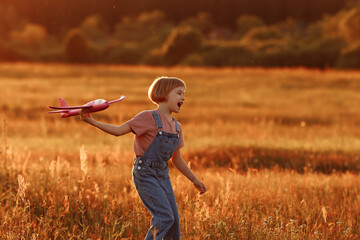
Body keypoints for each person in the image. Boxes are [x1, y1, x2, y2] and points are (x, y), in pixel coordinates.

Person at [80, 76, 207, 240]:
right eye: (179, 93)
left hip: (163, 175)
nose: (183, 97)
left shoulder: (177, 127)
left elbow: (177, 159)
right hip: (145, 174)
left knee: (174, 225)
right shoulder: (147, 117)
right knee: (164, 218)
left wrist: (195, 180)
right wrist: (92, 121)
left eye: (184, 94)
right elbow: (119, 131)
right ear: (164, 94)